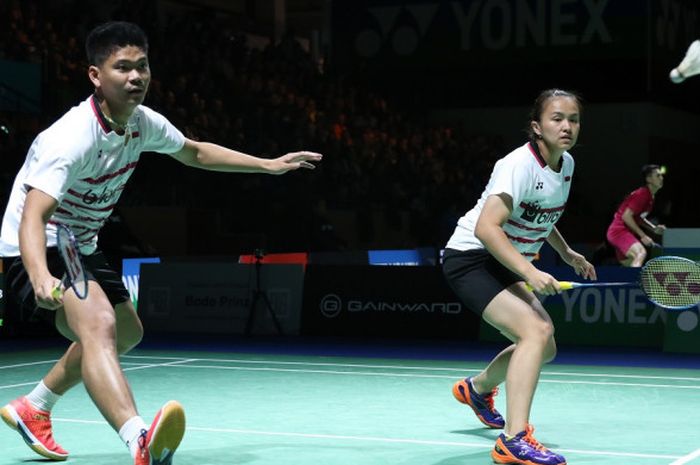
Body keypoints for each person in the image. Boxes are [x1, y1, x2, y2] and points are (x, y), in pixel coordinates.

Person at [0, 21, 321, 465]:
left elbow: (195, 152)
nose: (136, 77)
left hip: (82, 242)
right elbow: (34, 215)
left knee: (128, 331)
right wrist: (38, 274)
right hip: (39, 243)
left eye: (143, 66)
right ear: (96, 76)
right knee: (98, 326)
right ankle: (137, 438)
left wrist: (267, 165)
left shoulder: (142, 123)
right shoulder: (69, 138)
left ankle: (35, 406)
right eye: (123, 68)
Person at [442, 89, 596, 465]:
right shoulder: (517, 164)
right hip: (471, 258)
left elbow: (542, 214)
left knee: (546, 346)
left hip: (503, 261)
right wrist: (530, 270)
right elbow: (486, 228)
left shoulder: (567, 165)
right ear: (536, 127)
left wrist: (566, 253)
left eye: (573, 119)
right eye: (557, 118)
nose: (566, 126)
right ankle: (513, 439)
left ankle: (477, 390)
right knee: (536, 332)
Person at [605, 165, 666, 267]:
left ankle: (630, 281)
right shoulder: (642, 194)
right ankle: (635, 283)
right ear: (649, 179)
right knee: (640, 253)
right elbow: (626, 216)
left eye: (661, 175)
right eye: (658, 175)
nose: (661, 178)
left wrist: (653, 228)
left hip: (624, 233)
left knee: (630, 264)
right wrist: (643, 236)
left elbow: (638, 217)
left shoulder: (650, 196)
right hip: (619, 231)